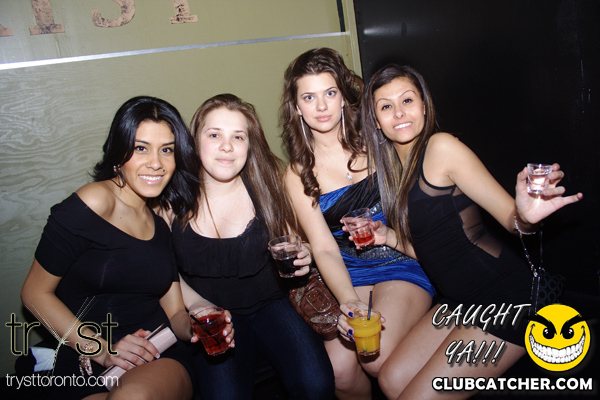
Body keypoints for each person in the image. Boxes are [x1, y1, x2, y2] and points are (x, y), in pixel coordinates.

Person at [360, 64, 584, 399]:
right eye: (386, 106)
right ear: (376, 121)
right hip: (459, 302)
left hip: (504, 300)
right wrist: (388, 237)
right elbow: (435, 247)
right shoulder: (396, 169)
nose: (399, 113)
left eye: (407, 100)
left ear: (424, 105)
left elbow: (510, 218)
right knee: (391, 380)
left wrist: (526, 216)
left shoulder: (441, 148)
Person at [20, 96, 201, 400]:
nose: (156, 163)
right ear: (118, 153)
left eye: (167, 150)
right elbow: (34, 294)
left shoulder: (161, 222)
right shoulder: (94, 202)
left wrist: (196, 326)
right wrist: (102, 350)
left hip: (153, 353)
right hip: (82, 354)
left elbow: (175, 312)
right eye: (141, 148)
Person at [281, 48, 435, 399]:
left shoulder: (377, 138)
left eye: (329, 92)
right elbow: (323, 247)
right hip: (348, 272)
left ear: (342, 97)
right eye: (309, 97)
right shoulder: (297, 173)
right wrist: (348, 301)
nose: (321, 106)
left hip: (399, 259)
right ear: (297, 107)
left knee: (376, 360)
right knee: (340, 373)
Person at [168, 93, 335, 400]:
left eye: (238, 136)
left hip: (271, 303)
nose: (227, 146)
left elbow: (296, 241)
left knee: (317, 385)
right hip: (213, 314)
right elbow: (164, 272)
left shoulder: (268, 185)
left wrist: (305, 253)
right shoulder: (171, 201)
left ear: (249, 144)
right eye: (214, 135)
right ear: (194, 141)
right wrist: (195, 304)